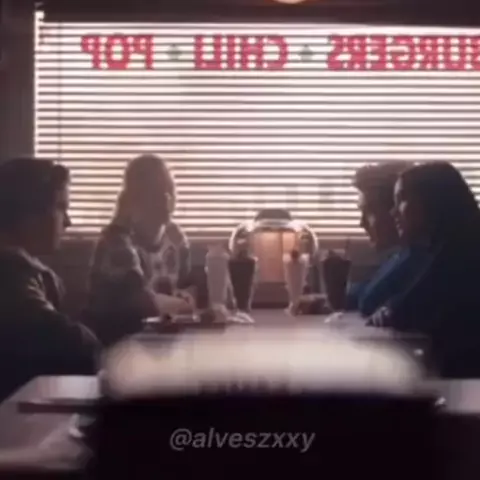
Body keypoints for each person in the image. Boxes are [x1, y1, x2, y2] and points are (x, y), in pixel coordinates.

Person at [368, 161, 480, 377]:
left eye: (402, 199)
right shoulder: (447, 244)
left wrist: (390, 309)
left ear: (433, 200)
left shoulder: (464, 248)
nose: (393, 212)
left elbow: (408, 309)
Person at [0, 158, 99, 401]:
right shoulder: (11, 274)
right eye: (61, 207)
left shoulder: (25, 269)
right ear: (29, 213)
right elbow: (71, 345)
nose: (68, 221)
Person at [85, 154, 194, 344]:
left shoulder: (175, 238)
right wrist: (181, 304)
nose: (166, 197)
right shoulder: (115, 242)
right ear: (134, 198)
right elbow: (144, 304)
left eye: (170, 189)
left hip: (165, 341)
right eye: (156, 191)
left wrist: (183, 299)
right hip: (119, 343)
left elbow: (187, 290)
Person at [344, 161, 430, 316]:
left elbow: (369, 300)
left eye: (369, 212)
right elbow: (367, 288)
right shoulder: (402, 254)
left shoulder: (418, 257)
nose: (362, 223)